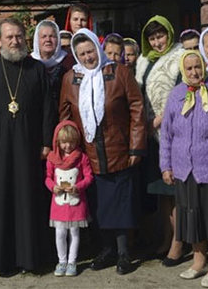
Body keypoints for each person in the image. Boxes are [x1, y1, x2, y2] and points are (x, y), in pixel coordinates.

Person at [0, 18, 56, 276]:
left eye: (18, 36)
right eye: (9, 37)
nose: (14, 41)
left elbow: (47, 109)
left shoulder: (37, 70)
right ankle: (1, 257)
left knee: (28, 199)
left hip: (30, 145)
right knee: (0, 198)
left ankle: (30, 256)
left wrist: (45, 143)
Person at [59, 28, 146, 275]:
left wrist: (136, 146)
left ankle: (123, 253)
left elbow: (137, 108)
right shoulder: (70, 78)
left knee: (121, 203)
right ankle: (106, 250)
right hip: (89, 151)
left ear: (97, 49)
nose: (88, 57)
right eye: (82, 53)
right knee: (99, 204)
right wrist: (68, 153)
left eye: (90, 51)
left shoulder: (119, 72)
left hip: (118, 147)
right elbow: (65, 115)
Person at [159, 50, 208, 288]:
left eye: (198, 67)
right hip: (184, 169)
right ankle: (197, 259)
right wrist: (166, 165)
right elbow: (166, 134)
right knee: (191, 216)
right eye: (190, 68)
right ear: (183, 70)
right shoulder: (176, 94)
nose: (194, 72)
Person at [134, 15, 185, 264]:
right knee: (161, 192)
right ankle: (166, 238)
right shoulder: (144, 61)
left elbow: (183, 92)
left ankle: (178, 243)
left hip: (172, 133)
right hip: (152, 138)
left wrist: (157, 120)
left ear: (169, 34)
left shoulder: (181, 57)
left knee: (174, 191)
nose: (157, 42)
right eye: (152, 38)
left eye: (160, 36)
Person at [45, 121, 93, 277]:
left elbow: (88, 177)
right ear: (57, 142)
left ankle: (72, 262)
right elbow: (48, 178)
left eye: (71, 142)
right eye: (64, 142)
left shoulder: (82, 158)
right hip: (58, 203)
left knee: (74, 232)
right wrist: (53, 186)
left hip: (76, 203)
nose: (67, 146)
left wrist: (78, 187)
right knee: (59, 233)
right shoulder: (52, 158)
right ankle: (62, 261)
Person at [31, 20, 75, 108]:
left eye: (52, 36)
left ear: (58, 39)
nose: (48, 40)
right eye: (44, 36)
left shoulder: (69, 61)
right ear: (37, 40)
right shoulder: (29, 63)